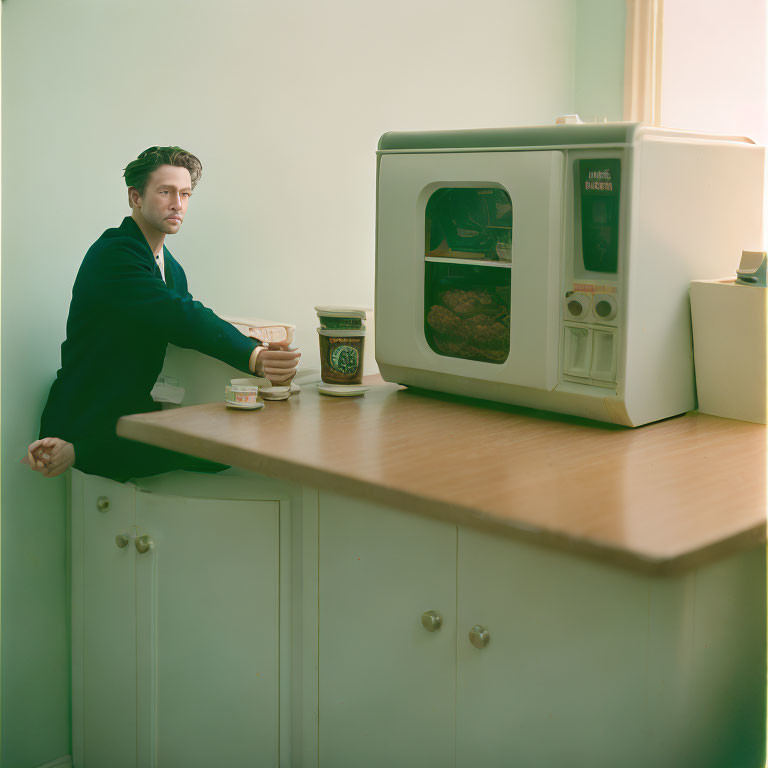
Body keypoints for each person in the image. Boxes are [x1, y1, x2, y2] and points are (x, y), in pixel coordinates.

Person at [23, 146, 300, 482]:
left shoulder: (172, 269)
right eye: (165, 191)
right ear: (135, 197)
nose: (177, 204)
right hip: (84, 423)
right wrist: (253, 355)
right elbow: (180, 316)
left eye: (185, 194)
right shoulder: (115, 253)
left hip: (130, 415)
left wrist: (259, 345)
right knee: (229, 449)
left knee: (234, 446)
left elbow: (183, 324)